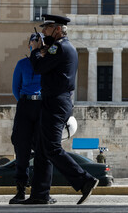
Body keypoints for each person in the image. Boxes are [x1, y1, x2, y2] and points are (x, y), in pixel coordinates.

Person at [26, 14, 98, 205]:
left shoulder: (59, 48)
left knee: (51, 148)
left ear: (58, 29)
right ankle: (39, 195)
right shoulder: (61, 48)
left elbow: (39, 67)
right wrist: (43, 49)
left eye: (47, 28)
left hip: (56, 103)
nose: (43, 31)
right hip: (55, 101)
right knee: (42, 149)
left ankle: (85, 180)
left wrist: (35, 51)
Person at [9, 33, 43, 204]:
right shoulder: (22, 64)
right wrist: (25, 101)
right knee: (21, 149)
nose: (34, 45)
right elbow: (16, 88)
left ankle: (39, 191)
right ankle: (21, 190)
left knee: (41, 150)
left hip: (41, 107)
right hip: (25, 105)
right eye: (32, 42)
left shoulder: (45, 64)